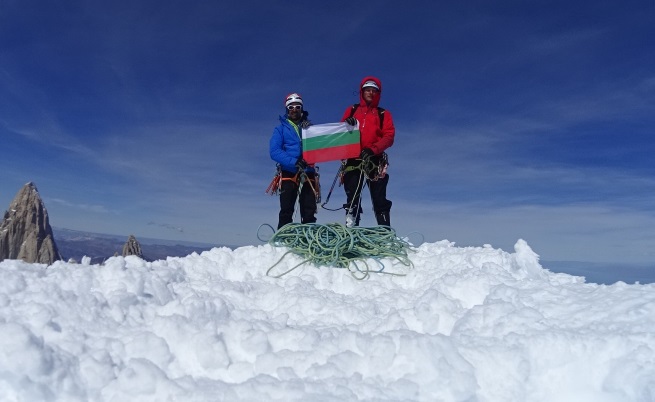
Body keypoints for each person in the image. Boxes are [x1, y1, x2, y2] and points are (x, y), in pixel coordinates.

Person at [340, 76, 395, 227]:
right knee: (352, 196)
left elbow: (389, 136)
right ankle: (352, 231)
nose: (370, 93)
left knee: (379, 198)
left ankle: (385, 233)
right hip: (353, 159)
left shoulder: (383, 114)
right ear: (362, 92)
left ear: (378, 93)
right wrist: (347, 124)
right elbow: (339, 134)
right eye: (367, 90)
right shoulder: (351, 110)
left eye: (374, 90)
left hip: (374, 160)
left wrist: (373, 149)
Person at [269, 92, 317, 229]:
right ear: (287, 109)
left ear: (301, 109)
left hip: (308, 172)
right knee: (286, 210)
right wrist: (294, 162)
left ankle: (308, 240)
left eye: (297, 107)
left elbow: (319, 146)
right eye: (291, 107)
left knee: (309, 211)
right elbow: (274, 151)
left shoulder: (309, 128)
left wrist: (311, 130)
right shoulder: (280, 129)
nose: (294, 110)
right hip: (289, 173)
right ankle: (282, 241)